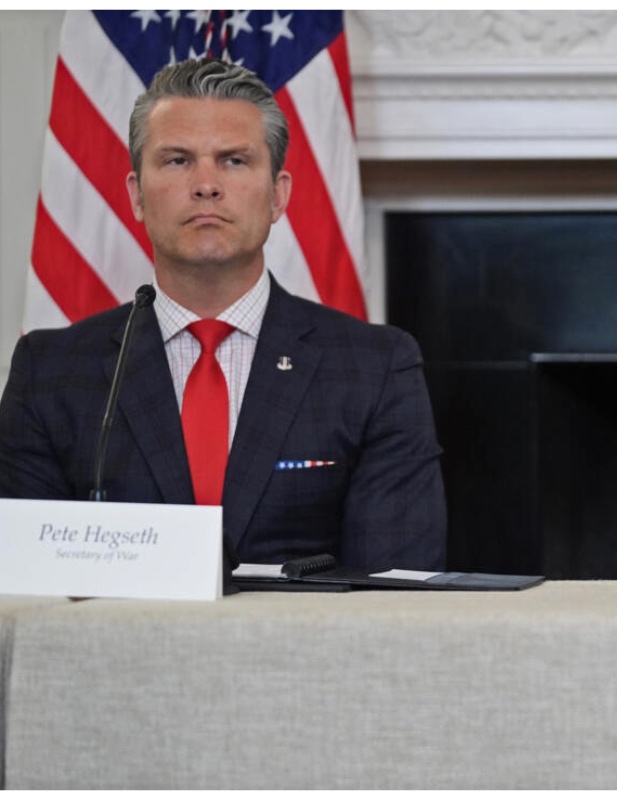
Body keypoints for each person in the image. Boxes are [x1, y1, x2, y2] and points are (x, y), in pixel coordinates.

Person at [0, 58, 447, 572]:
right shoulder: (50, 372)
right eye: (177, 161)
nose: (206, 185)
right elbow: (27, 587)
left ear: (278, 195)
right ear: (136, 196)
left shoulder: (376, 368)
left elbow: (393, 591)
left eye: (234, 160)